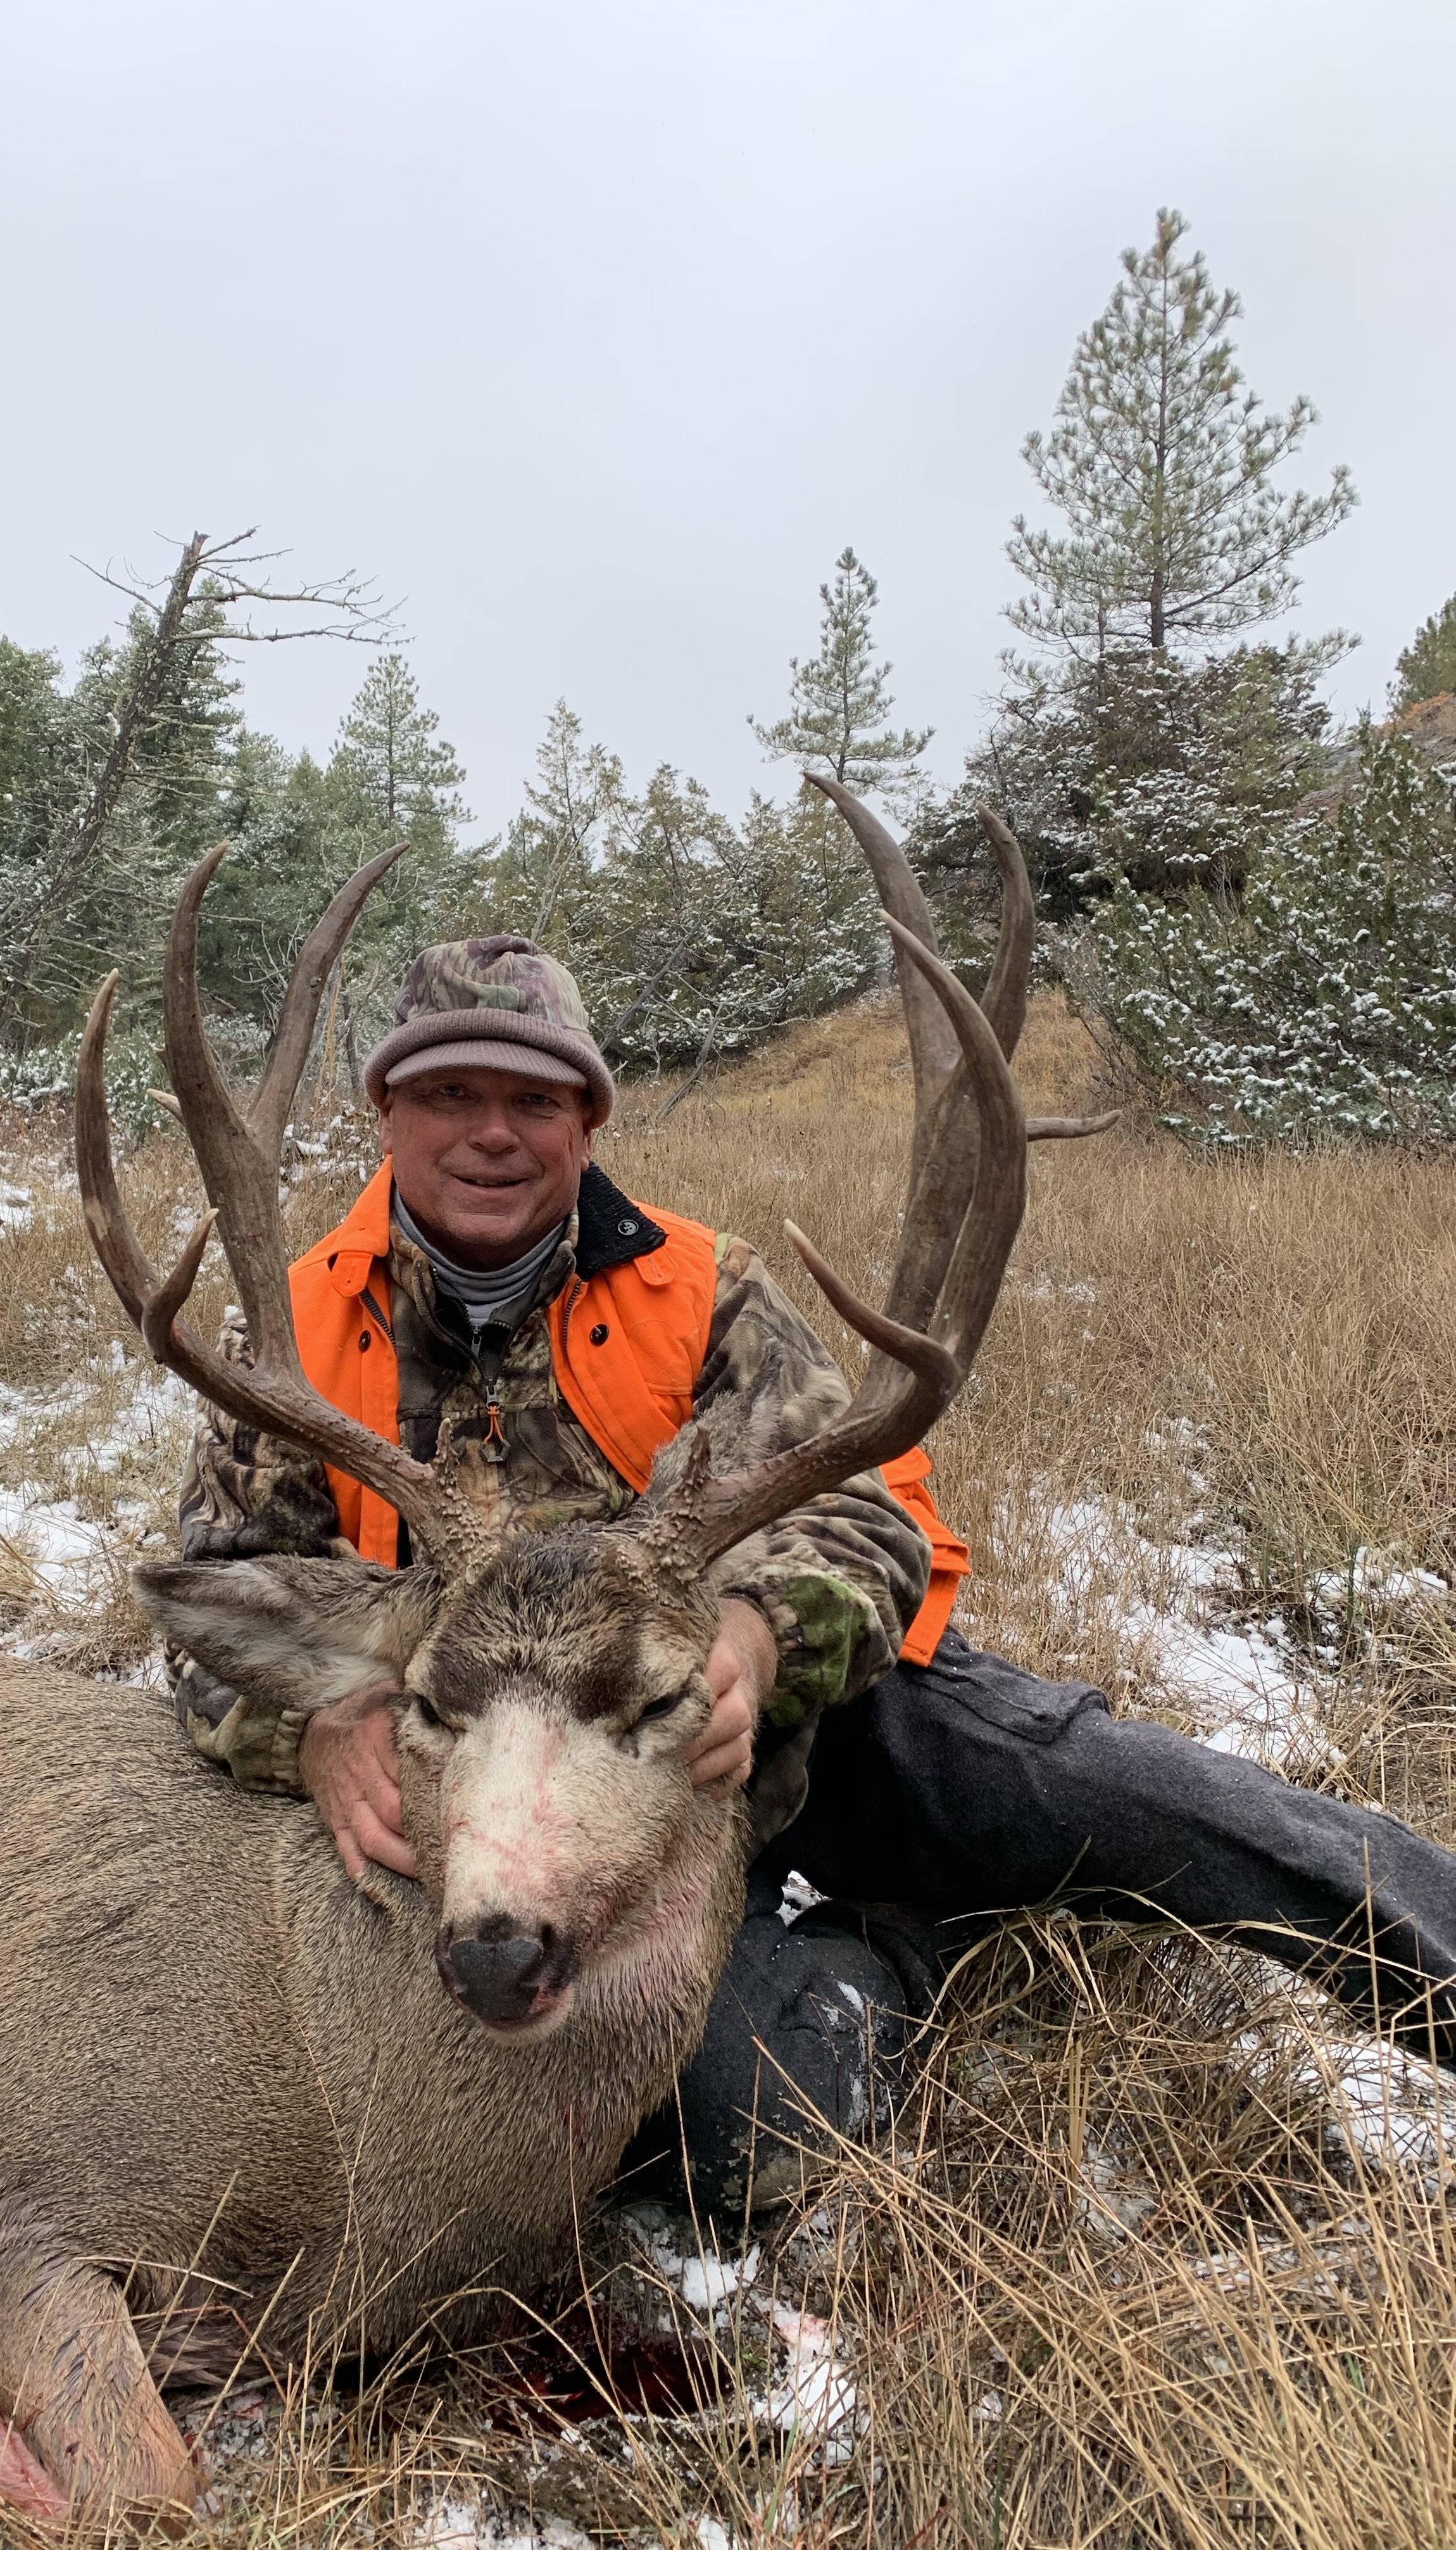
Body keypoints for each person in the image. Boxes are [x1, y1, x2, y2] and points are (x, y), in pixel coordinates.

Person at [168, 935, 1456, 2211]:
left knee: (1163, 1810)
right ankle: (907, 1951)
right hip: (542, 1816)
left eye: (534, 1100)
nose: (491, 1133)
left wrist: (755, 1638)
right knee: (748, 2127)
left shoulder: (700, 1289)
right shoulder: (295, 1335)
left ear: (589, 1122)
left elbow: (867, 1511)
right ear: (386, 1109)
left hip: (804, 1720)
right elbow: (221, 1598)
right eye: (451, 1094)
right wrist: (327, 1726)